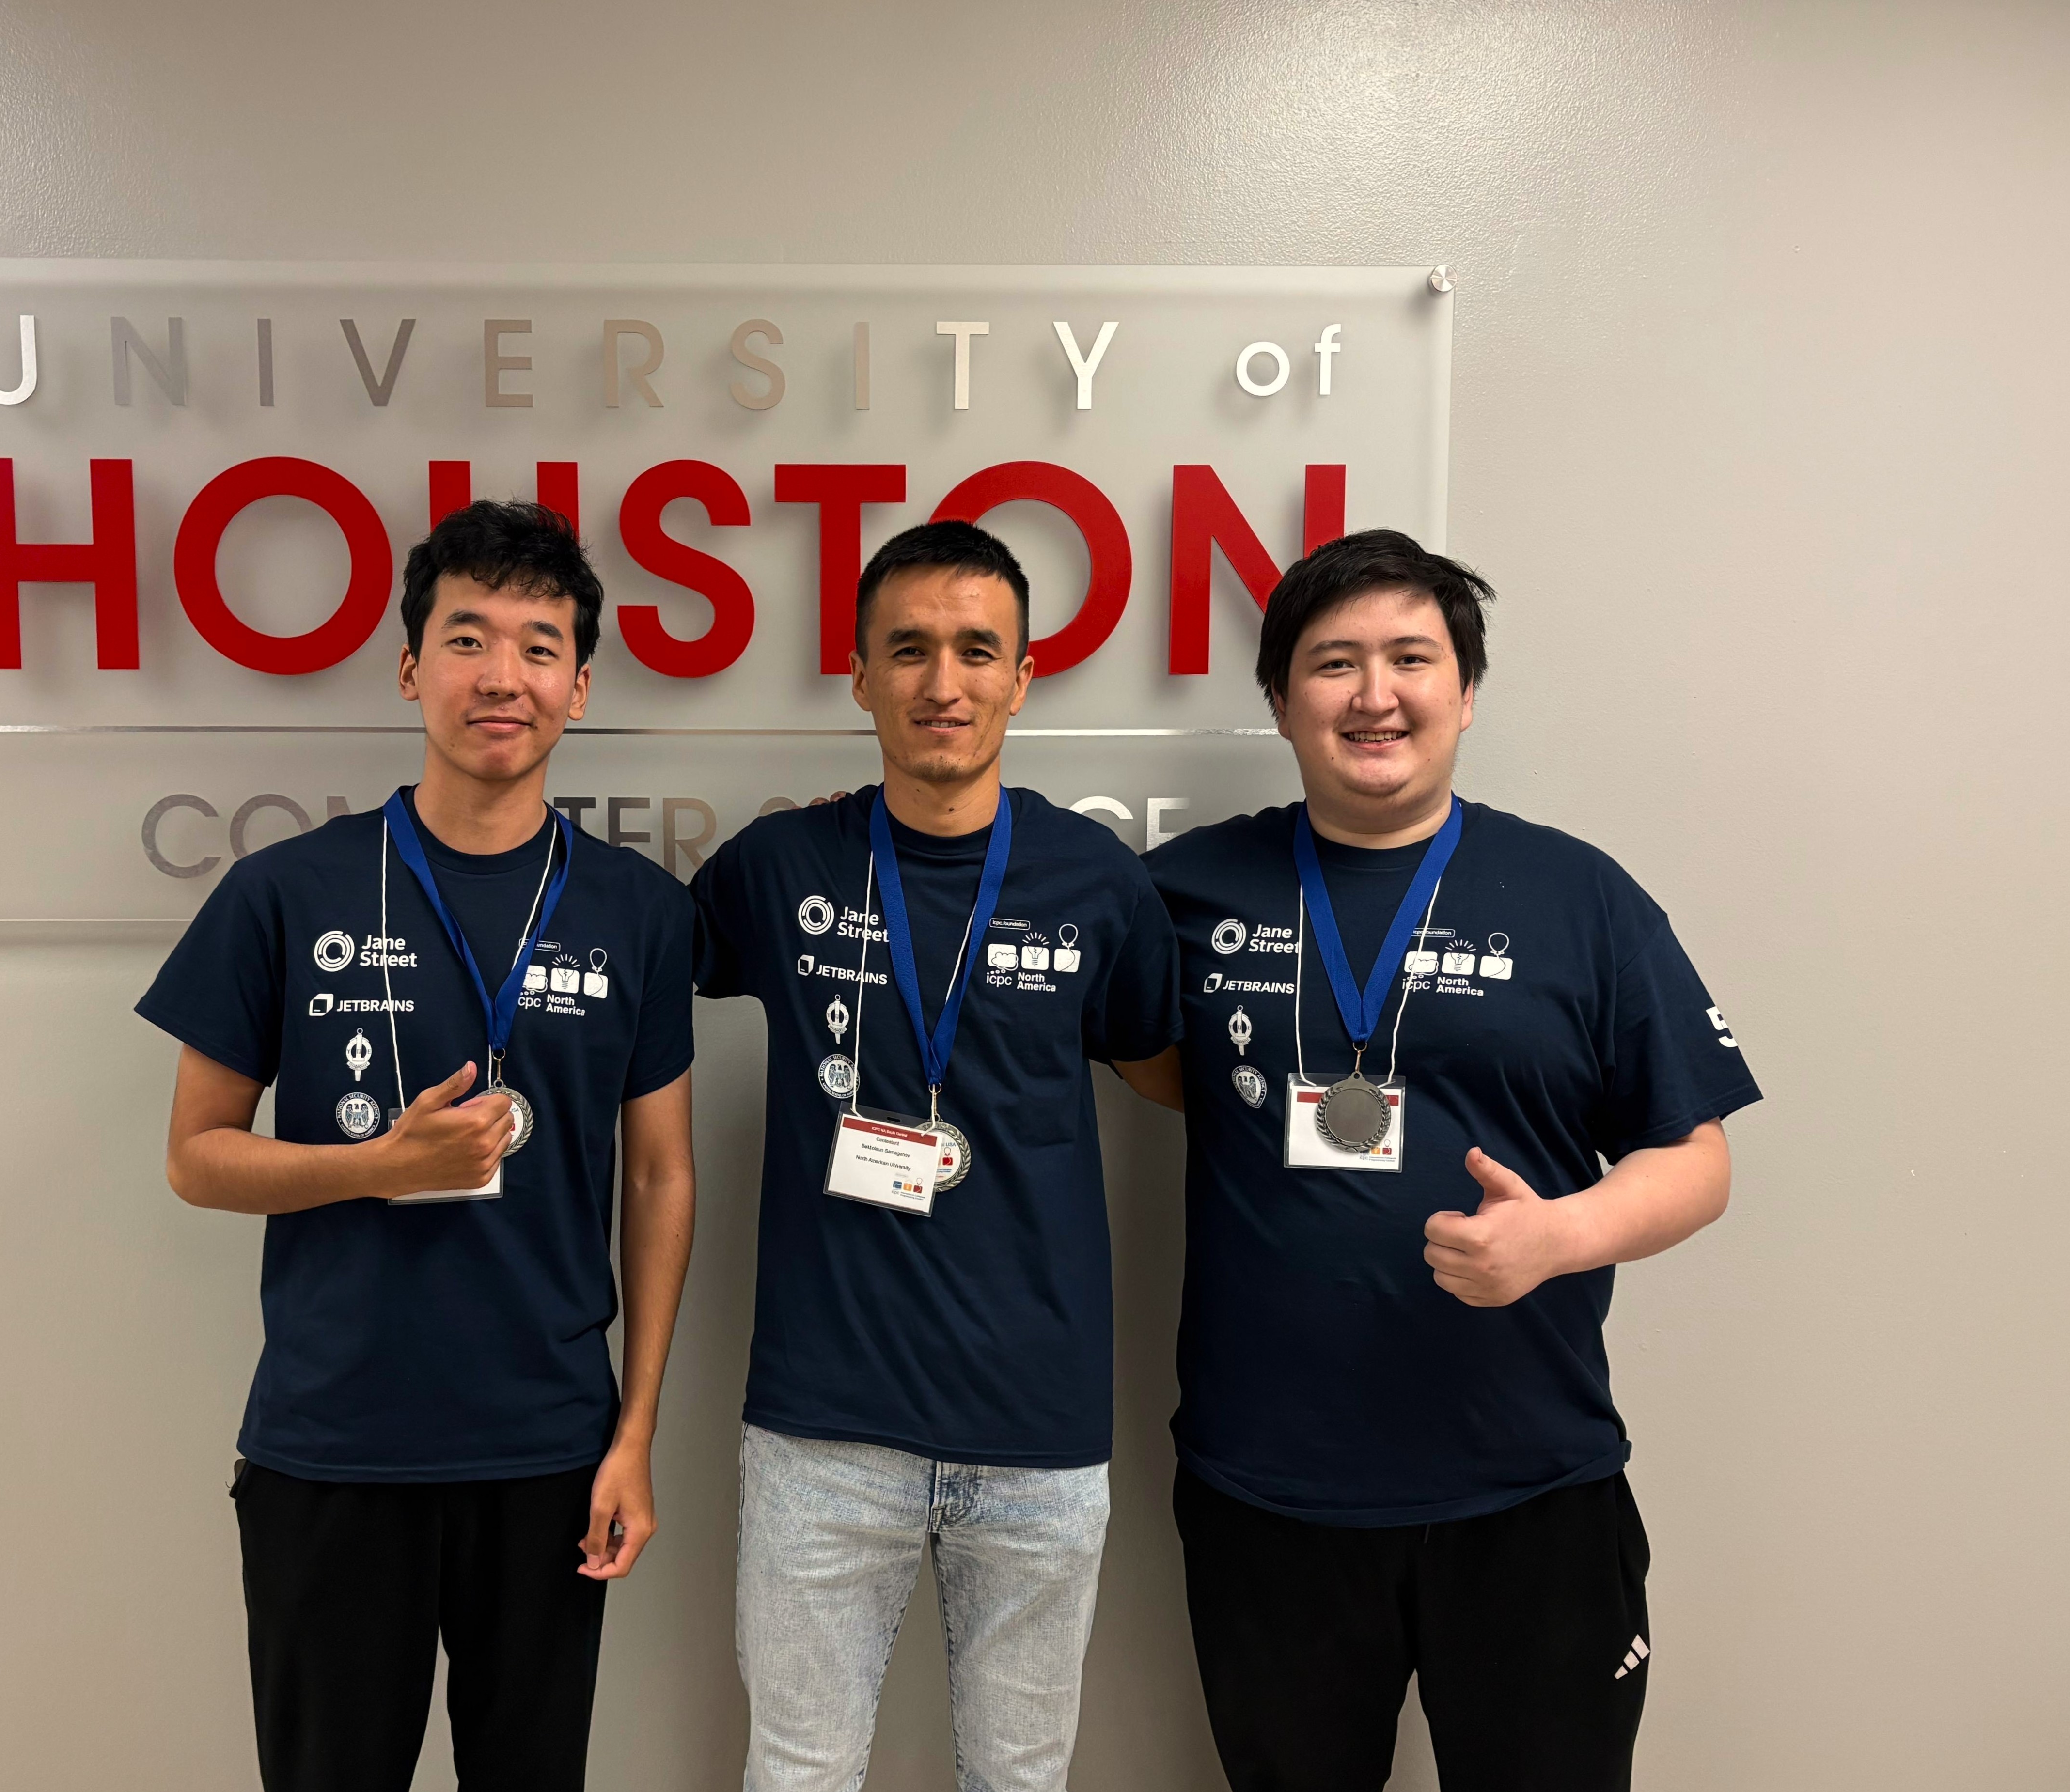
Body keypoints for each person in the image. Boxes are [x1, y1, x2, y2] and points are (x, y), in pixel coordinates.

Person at [1119, 529, 1762, 1791]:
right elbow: (1131, 1039)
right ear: (1279, 700)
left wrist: (1559, 1235)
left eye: (1410, 657)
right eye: (1332, 663)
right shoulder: (1183, 890)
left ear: (1464, 693)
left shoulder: (1580, 898)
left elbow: (1694, 1157)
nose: (1374, 693)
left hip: (1526, 1486)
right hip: (1270, 1495)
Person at [134, 500, 698, 1792]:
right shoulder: (289, 891)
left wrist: (634, 1432)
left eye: (539, 645)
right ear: (408, 668)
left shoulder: (636, 910)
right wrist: (372, 1167)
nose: (502, 675)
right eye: (467, 638)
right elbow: (195, 1155)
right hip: (334, 1449)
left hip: (551, 1451)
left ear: (579, 682)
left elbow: (661, 1173)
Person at [690, 519, 1184, 1792]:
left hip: (1038, 1431)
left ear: (1023, 676)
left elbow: (1158, 1066)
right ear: (857, 675)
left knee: (1018, 1776)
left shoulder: (1096, 881)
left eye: (977, 650)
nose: (942, 681)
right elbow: (646, 996)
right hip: (821, 1431)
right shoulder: (777, 865)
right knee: (797, 1769)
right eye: (906, 649)